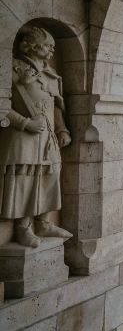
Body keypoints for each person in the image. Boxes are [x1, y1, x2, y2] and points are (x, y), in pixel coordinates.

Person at [0, 26, 73, 247]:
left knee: (50, 176)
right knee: (26, 179)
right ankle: (22, 227)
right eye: (47, 45)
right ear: (32, 44)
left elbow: (56, 106)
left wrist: (62, 130)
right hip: (23, 136)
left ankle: (43, 222)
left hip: (48, 137)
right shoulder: (12, 67)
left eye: (53, 45)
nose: (52, 49)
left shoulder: (51, 75)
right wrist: (26, 123)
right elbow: (2, 104)